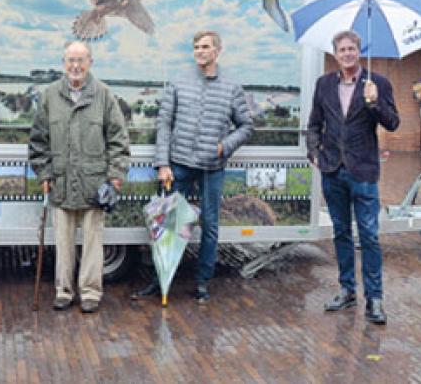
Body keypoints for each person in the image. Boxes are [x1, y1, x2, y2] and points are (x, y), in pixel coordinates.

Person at [133, 29, 254, 304]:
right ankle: (160, 281)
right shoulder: (178, 83)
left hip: (213, 166)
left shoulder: (232, 87)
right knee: (168, 224)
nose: (200, 51)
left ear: (217, 51)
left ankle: (202, 282)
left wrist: (225, 145)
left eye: (205, 47)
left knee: (210, 225)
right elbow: (164, 124)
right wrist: (162, 163)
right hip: (179, 165)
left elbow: (247, 126)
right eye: (197, 47)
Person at [306, 29, 399, 325]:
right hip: (333, 170)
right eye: (341, 50)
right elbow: (314, 124)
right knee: (341, 232)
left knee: (369, 235)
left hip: (363, 171)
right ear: (335, 54)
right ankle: (347, 290)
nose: (347, 54)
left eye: (351, 49)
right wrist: (314, 153)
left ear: (359, 52)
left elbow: (393, 123)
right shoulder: (323, 84)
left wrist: (374, 102)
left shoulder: (377, 83)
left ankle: (375, 298)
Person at [28, 41, 129, 314]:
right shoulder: (50, 95)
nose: (75, 66)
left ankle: (90, 293)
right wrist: (44, 174)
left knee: (93, 243)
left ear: (90, 63)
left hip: (95, 184)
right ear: (64, 63)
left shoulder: (104, 95)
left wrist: (115, 177)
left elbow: (118, 140)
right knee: (63, 243)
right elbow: (38, 142)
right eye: (71, 60)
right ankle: (63, 291)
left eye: (81, 60)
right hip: (61, 183)